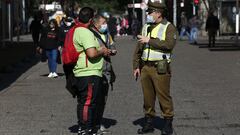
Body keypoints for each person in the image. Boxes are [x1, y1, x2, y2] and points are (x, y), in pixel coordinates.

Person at [133, 1, 177, 135]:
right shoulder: (146, 26)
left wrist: (149, 40)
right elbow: (138, 48)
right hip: (146, 67)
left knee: (163, 96)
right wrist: (136, 66)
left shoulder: (169, 27)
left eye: (150, 13)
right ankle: (149, 122)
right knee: (148, 97)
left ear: (158, 13)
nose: (149, 15)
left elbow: (169, 45)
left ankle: (168, 122)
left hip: (160, 67)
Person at [73, 7, 111, 135]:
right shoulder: (85, 32)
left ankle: (85, 127)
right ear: (90, 20)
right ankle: (85, 128)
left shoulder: (78, 30)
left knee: (85, 102)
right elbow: (92, 53)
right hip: (88, 73)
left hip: (87, 72)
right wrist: (103, 50)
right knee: (87, 103)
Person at [89, 12, 117, 134]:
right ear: (95, 24)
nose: (106, 25)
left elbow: (112, 45)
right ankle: (91, 125)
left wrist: (112, 50)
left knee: (103, 100)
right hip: (95, 71)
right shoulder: (90, 34)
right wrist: (102, 51)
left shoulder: (106, 34)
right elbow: (90, 52)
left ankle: (98, 123)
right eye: (103, 23)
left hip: (106, 71)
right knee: (93, 100)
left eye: (105, 22)